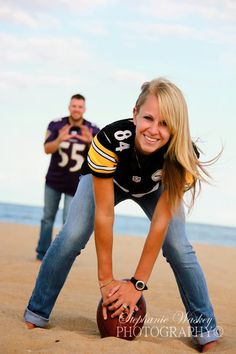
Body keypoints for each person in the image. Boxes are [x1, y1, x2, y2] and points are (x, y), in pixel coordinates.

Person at [25, 78, 219, 352]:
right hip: (107, 182)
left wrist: (137, 284)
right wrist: (106, 281)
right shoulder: (107, 140)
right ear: (134, 114)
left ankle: (206, 331)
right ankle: (36, 313)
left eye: (165, 123)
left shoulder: (183, 156)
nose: (154, 129)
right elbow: (104, 214)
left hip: (154, 188)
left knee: (179, 246)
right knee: (72, 235)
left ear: (177, 126)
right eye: (148, 118)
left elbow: (161, 222)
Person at [36, 94, 99, 261]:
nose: (76, 109)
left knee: (69, 223)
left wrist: (89, 141)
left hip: (76, 184)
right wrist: (59, 139)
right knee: (47, 218)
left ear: (84, 109)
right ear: (69, 107)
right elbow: (47, 149)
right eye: (74, 106)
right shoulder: (57, 124)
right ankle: (42, 253)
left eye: (80, 106)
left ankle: (61, 257)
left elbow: (100, 156)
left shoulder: (92, 129)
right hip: (54, 180)